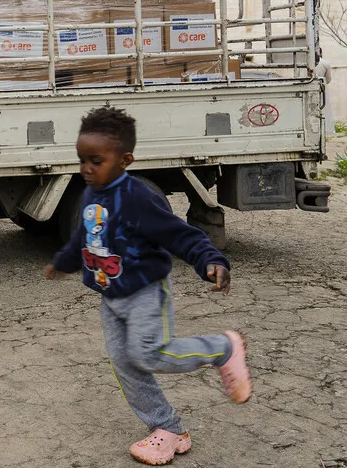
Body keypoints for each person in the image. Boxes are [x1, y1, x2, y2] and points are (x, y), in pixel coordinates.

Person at [43, 107, 251, 465]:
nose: (86, 169)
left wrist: (210, 260)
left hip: (144, 293)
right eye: (82, 160)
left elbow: (178, 233)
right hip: (111, 297)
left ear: (125, 160)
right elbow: (84, 235)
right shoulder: (91, 194)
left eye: (96, 161)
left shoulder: (137, 197)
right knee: (125, 364)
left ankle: (222, 349)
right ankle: (168, 428)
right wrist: (62, 263)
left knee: (150, 354)